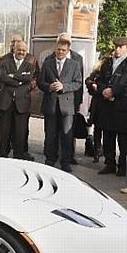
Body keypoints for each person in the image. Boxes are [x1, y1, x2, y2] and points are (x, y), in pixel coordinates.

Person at [96, 37, 127, 176]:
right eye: (116, 46)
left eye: (120, 47)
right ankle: (109, 163)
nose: (117, 49)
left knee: (124, 139)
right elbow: (101, 79)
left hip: (124, 106)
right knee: (108, 136)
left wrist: (113, 91)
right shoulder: (108, 62)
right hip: (107, 104)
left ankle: (123, 166)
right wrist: (103, 89)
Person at [38, 38, 82, 172]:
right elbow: (40, 82)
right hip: (51, 104)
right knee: (50, 134)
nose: (60, 52)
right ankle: (50, 159)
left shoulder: (74, 64)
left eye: (63, 50)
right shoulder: (48, 63)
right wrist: (49, 87)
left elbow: (78, 83)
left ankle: (65, 162)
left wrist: (64, 86)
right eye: (58, 49)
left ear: (68, 50)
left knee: (67, 135)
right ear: (55, 49)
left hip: (67, 106)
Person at [0, 41, 35, 160]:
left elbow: (28, 78)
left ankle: (18, 157)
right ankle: (2, 157)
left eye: (23, 50)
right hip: (5, 102)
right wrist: (20, 80)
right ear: (14, 50)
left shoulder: (30, 65)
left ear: (26, 51)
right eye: (19, 50)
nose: (21, 52)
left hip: (22, 103)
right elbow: (2, 77)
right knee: (4, 133)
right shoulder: (5, 63)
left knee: (20, 134)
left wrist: (12, 76)